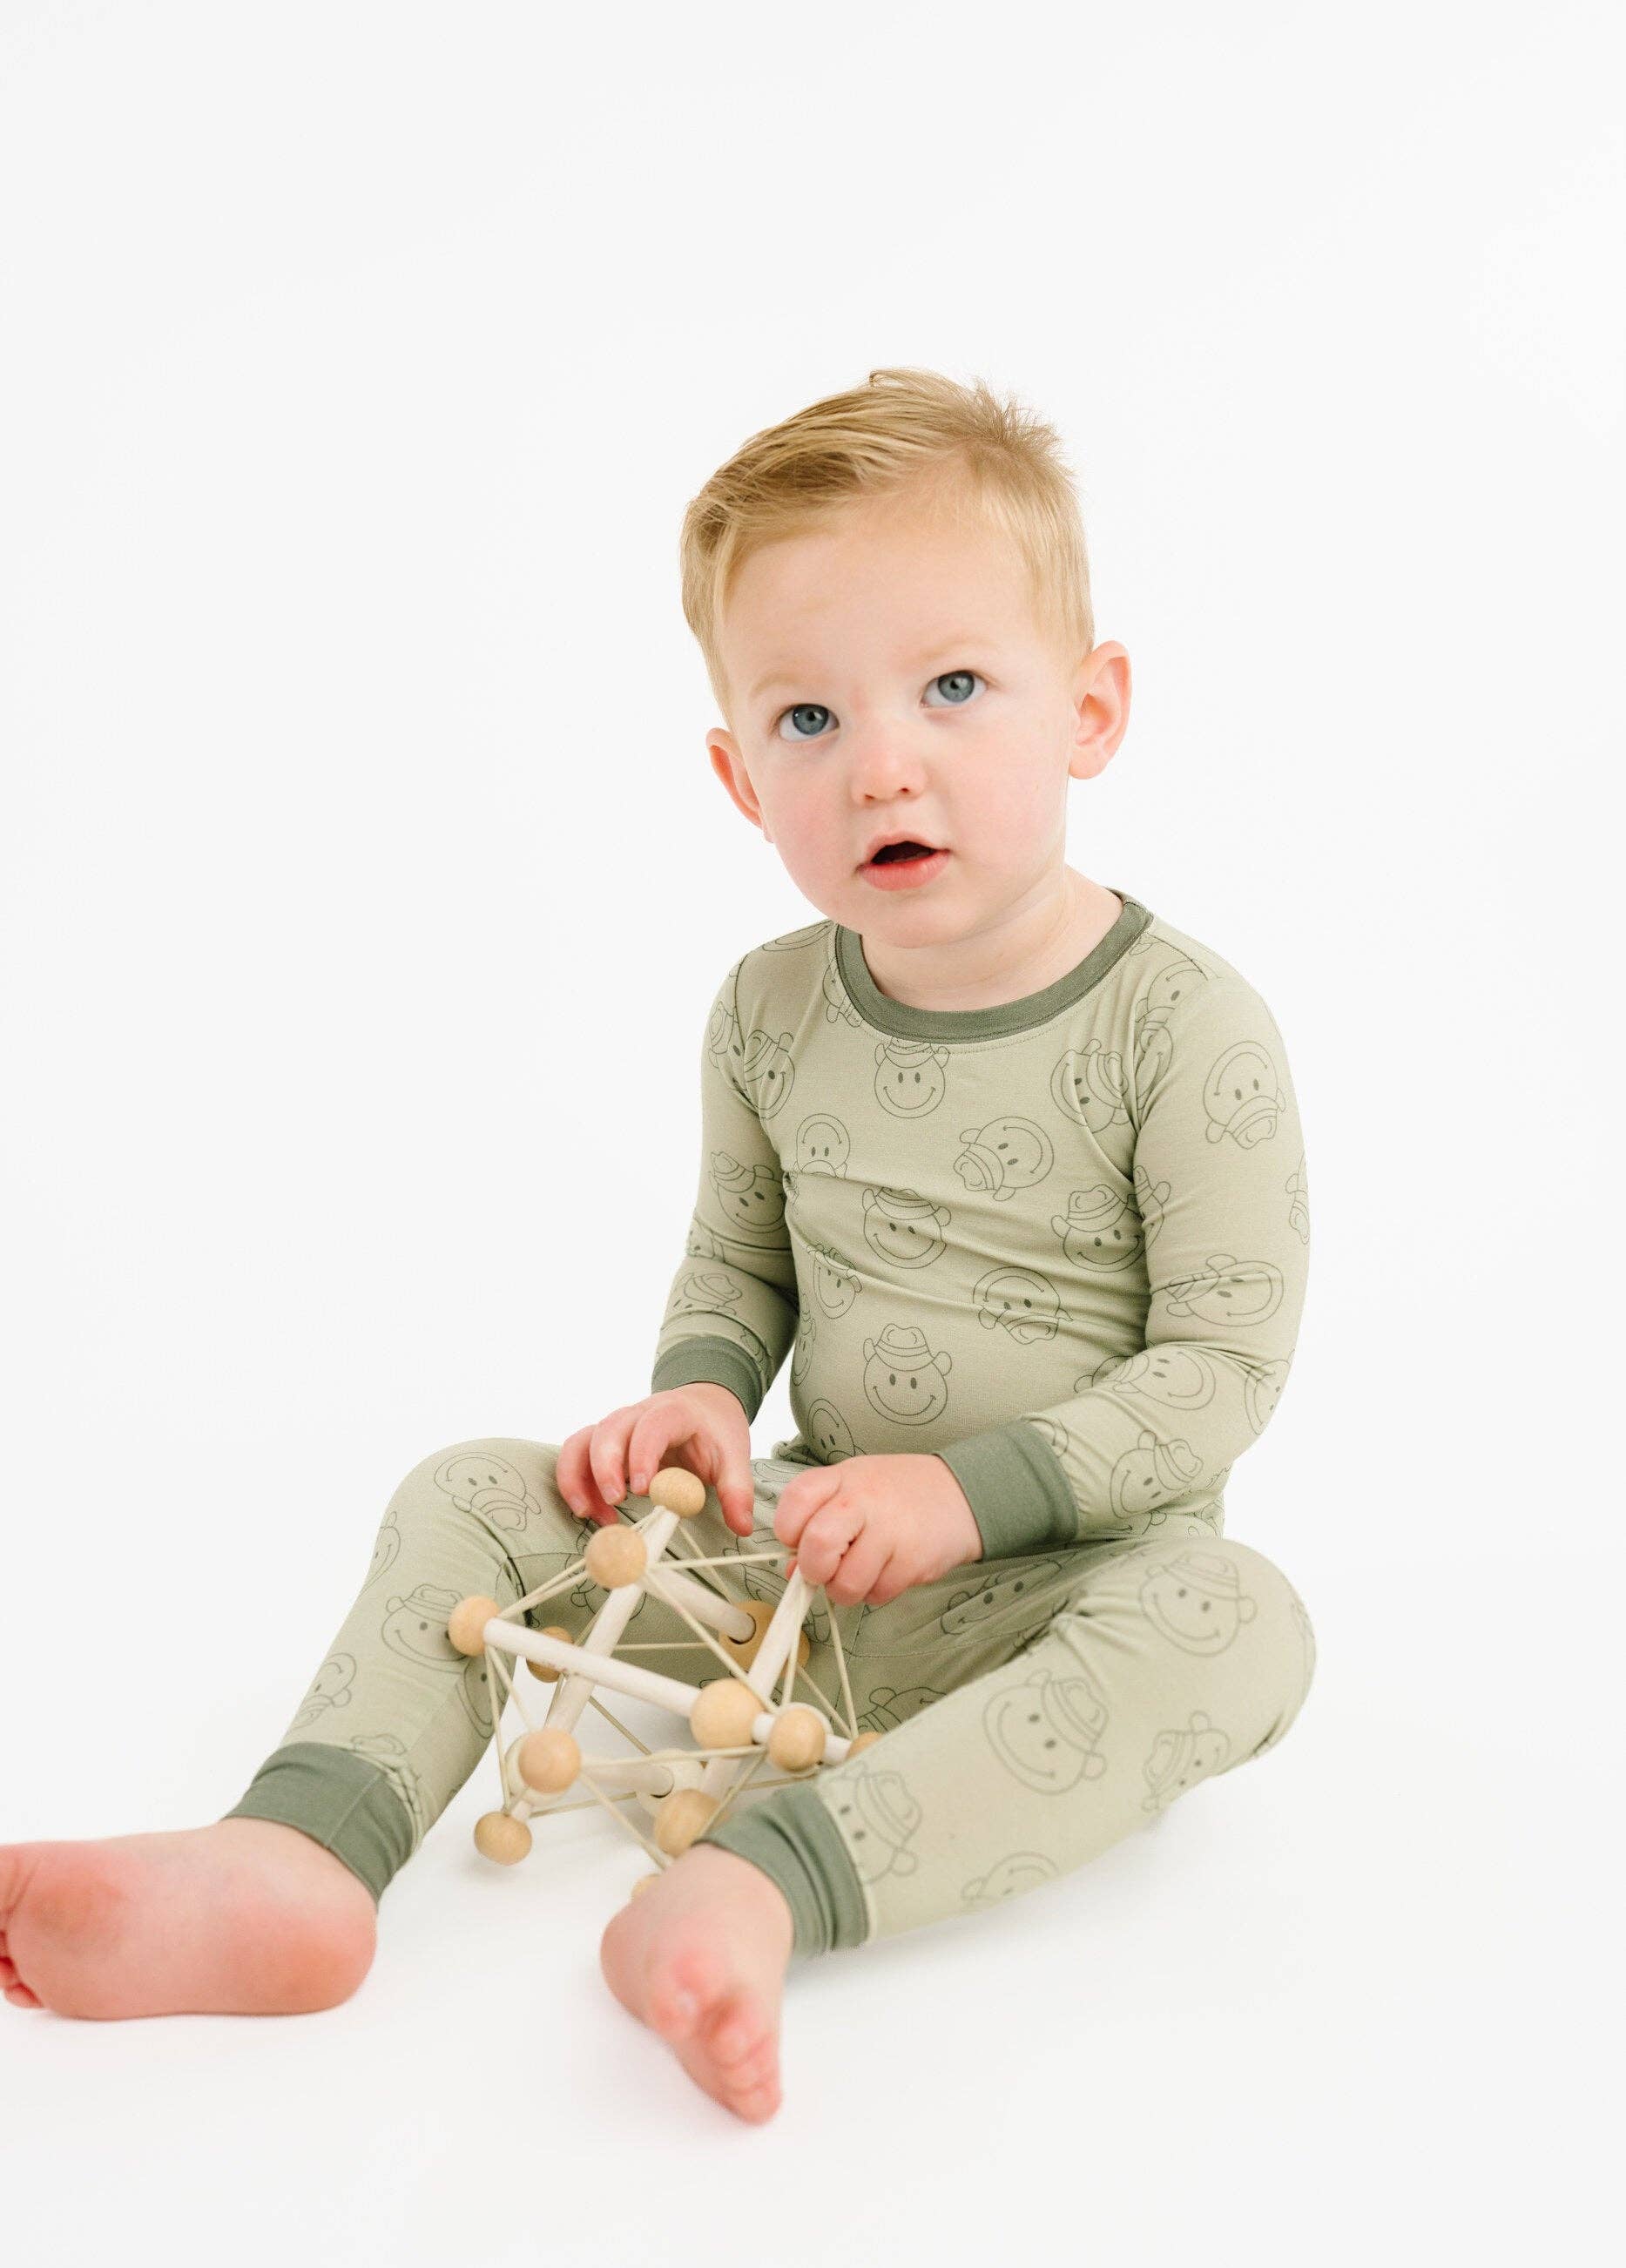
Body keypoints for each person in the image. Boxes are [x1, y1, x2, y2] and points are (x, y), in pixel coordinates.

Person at [0, 367, 1316, 2126]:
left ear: (1089, 710)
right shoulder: (770, 1008)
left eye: (951, 687)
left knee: (1241, 1624)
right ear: (736, 777)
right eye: (806, 718)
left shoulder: (1184, 1028)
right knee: (478, 1489)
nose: (884, 763)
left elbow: (1219, 1370)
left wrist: (964, 1495)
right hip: (803, 1557)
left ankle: (763, 1883)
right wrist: (698, 1398)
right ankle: (297, 1857)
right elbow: (740, 1266)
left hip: (1056, 1586)